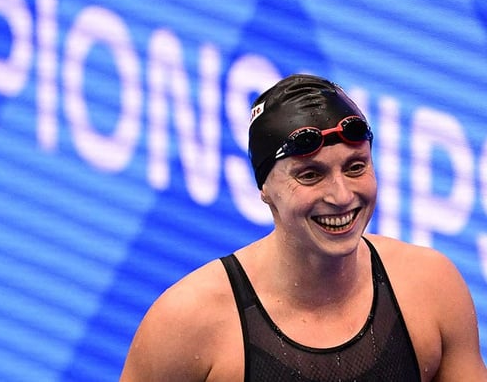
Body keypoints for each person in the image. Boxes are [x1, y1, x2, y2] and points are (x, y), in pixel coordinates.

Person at [119, 74, 487, 381]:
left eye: (356, 167)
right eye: (311, 175)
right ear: (265, 189)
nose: (341, 195)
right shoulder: (190, 323)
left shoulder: (430, 288)